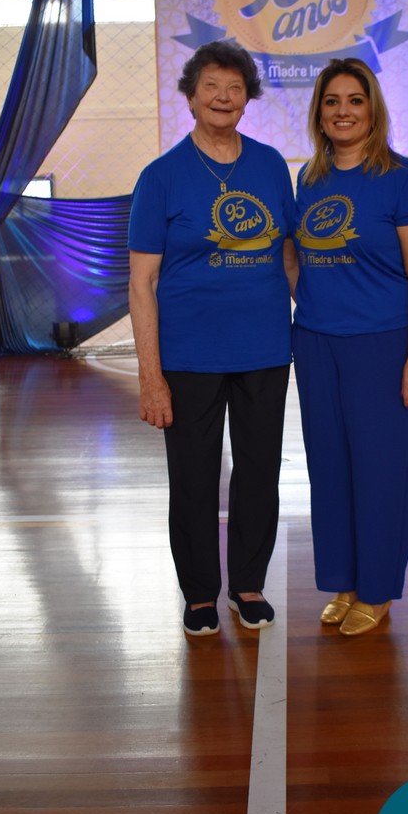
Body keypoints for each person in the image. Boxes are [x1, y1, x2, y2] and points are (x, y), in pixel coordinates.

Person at [128, 40, 298, 637]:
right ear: (191, 96)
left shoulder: (271, 166)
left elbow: (289, 256)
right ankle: (200, 592)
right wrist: (150, 376)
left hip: (265, 350)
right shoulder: (161, 177)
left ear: (247, 98)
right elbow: (142, 283)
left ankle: (247, 584)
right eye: (211, 87)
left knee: (260, 471)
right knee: (194, 477)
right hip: (189, 356)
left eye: (235, 88)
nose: (223, 98)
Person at [292, 58, 408, 636]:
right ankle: (345, 582)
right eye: (332, 101)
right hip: (317, 343)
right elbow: (296, 259)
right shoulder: (309, 180)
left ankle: (376, 591)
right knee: (330, 469)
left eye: (355, 100)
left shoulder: (404, 179)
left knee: (381, 471)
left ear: (372, 109)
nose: (343, 111)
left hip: (382, 346)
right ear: (319, 113)